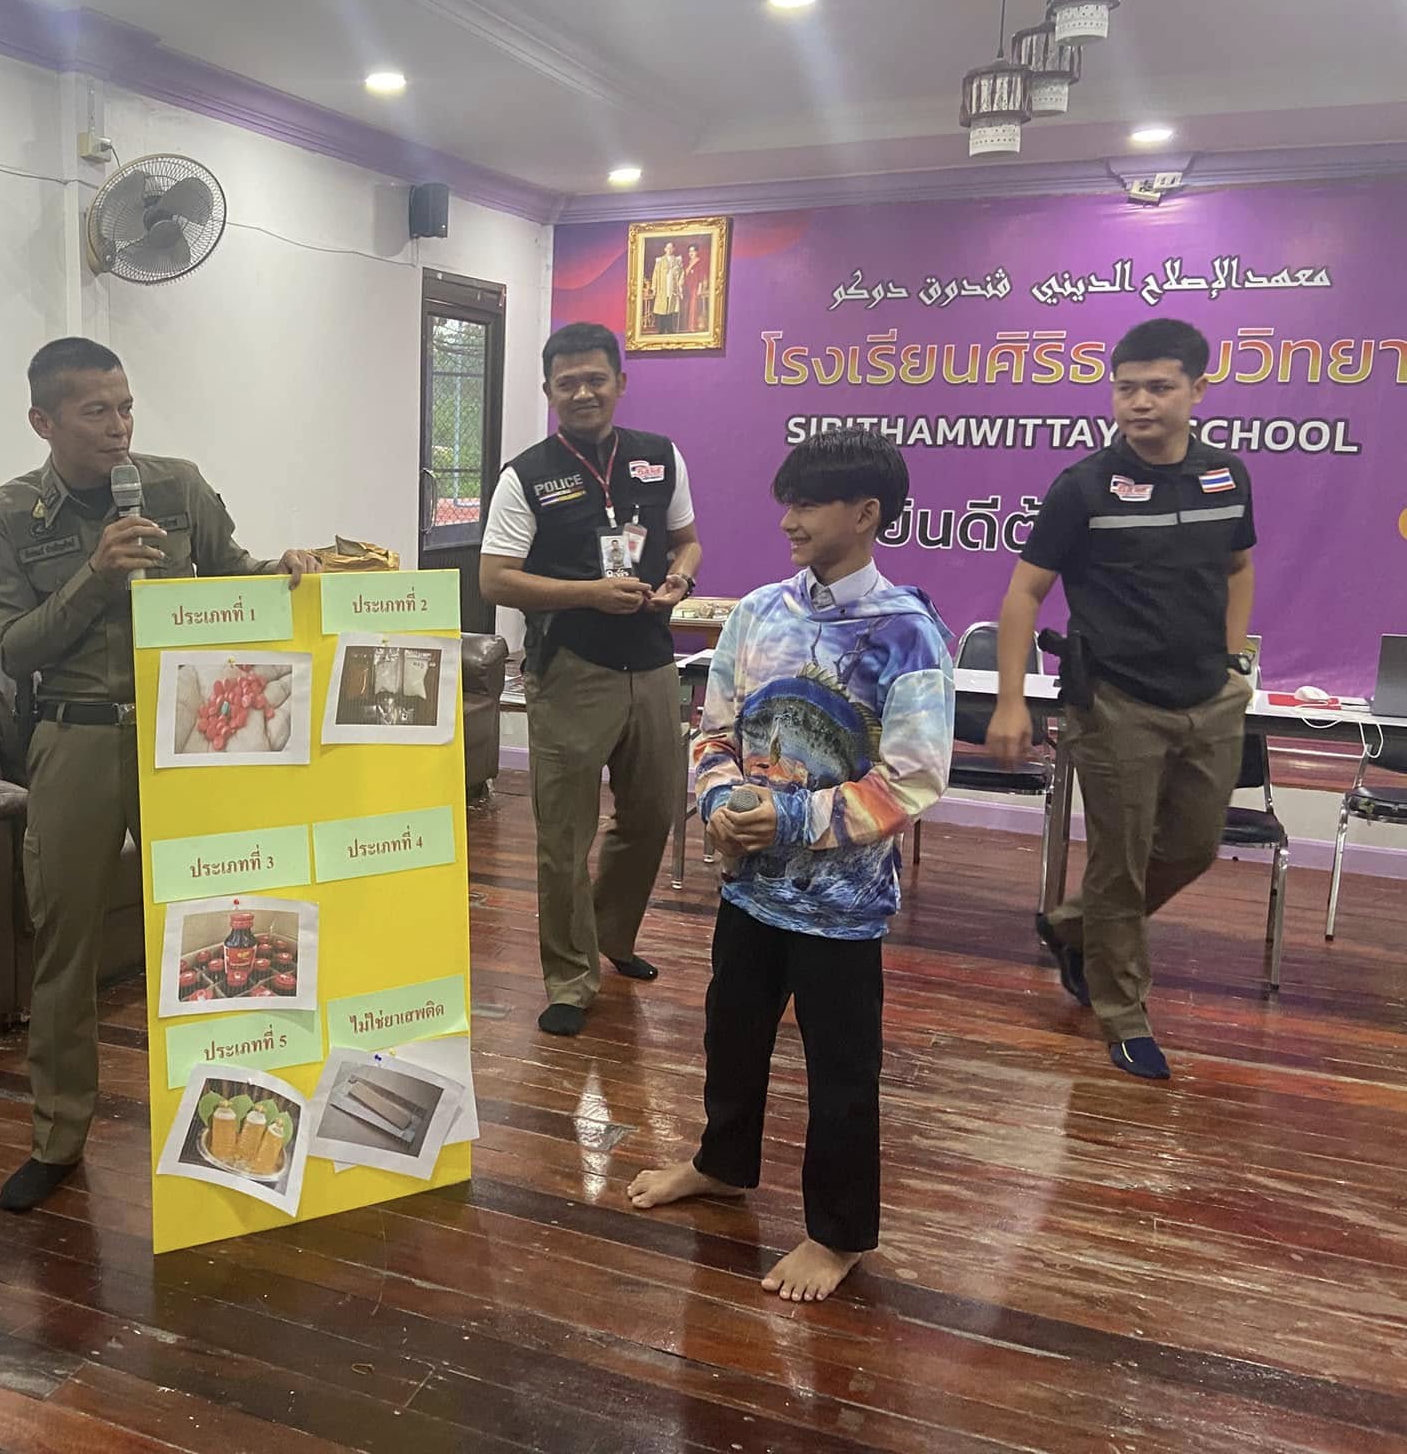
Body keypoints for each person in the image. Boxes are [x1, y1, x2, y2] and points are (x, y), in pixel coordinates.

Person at [0, 337, 321, 1212]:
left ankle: (240, 1121)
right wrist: (96, 576)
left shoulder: (176, 487)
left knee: (228, 929)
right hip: (78, 739)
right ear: (43, 421)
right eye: (96, 411)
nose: (120, 427)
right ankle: (57, 1138)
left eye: (126, 407)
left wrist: (282, 573)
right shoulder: (11, 515)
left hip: (192, 738)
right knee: (65, 947)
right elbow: (13, 649)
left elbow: (234, 575)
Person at [628, 429, 953, 1303]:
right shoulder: (757, 614)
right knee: (730, 1033)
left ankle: (837, 1235)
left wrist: (788, 817)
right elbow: (715, 733)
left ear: (867, 513)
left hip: (843, 910)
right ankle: (722, 1163)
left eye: (808, 504)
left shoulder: (908, 633)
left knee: (842, 1070)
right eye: (788, 502)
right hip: (749, 890)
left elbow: (912, 779)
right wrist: (718, 804)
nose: (789, 521)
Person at [985, 318, 1256, 1081]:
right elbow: (1023, 595)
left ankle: (1073, 928)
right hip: (1113, 703)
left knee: (1194, 847)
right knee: (1121, 863)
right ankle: (1124, 1012)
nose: (1140, 402)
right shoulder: (1083, 487)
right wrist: (1011, 701)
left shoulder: (1227, 476)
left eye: (1159, 387)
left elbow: (1239, 568)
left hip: (1209, 696)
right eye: (1126, 388)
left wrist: (1232, 658)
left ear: (1198, 390)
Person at [480, 322, 702, 1036]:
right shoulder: (525, 475)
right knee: (564, 837)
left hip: (655, 662)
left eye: (595, 379)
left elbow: (688, 540)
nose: (582, 392)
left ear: (620, 383)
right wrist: (588, 595)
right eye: (567, 382)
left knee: (653, 815)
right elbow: (495, 579)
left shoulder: (659, 457)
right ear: (548, 391)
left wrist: (679, 578)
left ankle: (612, 934)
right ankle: (570, 979)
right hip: (571, 669)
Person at [648, 244, 683, 336]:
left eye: (671, 248)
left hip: (672, 289)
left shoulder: (677, 261)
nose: (669, 250)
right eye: (668, 248)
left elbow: (681, 274)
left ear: (674, 249)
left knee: (670, 309)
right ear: (665, 249)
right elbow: (655, 275)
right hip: (662, 289)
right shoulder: (660, 261)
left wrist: (680, 287)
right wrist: (654, 288)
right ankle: (661, 329)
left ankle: (670, 328)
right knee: (662, 309)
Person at [680, 242, 707, 334]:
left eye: (693, 251)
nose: (691, 253)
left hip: (695, 287)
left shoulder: (699, 262)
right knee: (687, 307)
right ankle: (687, 326)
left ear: (696, 252)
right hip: (687, 287)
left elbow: (701, 276)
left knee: (693, 307)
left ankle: (693, 327)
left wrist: (700, 288)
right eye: (689, 251)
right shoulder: (688, 263)